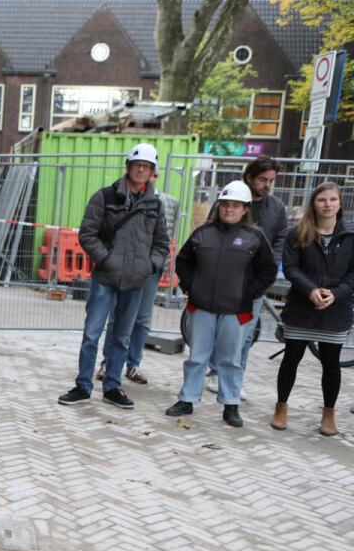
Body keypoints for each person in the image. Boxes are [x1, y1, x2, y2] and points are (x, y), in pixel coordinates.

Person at [58, 144, 170, 409]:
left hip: (136, 281)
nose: (141, 170)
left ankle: (112, 386)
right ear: (128, 167)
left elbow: (162, 243)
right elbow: (87, 234)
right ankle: (83, 385)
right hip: (104, 279)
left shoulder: (156, 204)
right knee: (92, 334)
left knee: (122, 336)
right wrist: (106, 259)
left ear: (153, 171)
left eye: (147, 166)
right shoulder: (105, 197)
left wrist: (149, 265)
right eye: (137, 165)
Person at [165, 181, 277, 427]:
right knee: (197, 356)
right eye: (225, 204)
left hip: (236, 311)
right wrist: (190, 287)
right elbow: (183, 262)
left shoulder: (255, 238)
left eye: (235, 205)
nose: (229, 209)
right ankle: (187, 399)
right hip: (201, 307)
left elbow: (267, 271)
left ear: (245, 209)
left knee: (231, 360)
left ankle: (230, 404)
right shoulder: (203, 233)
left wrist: (249, 293)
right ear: (219, 206)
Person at [271, 182, 353, 436]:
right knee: (291, 358)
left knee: (331, 363)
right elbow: (291, 267)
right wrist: (311, 290)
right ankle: (281, 407)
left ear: (340, 203)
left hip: (335, 309)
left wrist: (335, 294)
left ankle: (329, 414)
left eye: (332, 199)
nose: (327, 204)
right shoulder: (298, 233)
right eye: (322, 200)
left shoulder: (350, 235)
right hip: (301, 306)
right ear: (313, 204)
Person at [206, 156, 289, 392]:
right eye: (263, 179)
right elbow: (210, 229)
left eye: (271, 180)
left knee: (245, 332)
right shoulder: (229, 199)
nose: (267, 185)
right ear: (250, 177)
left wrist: (270, 265)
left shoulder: (275, 207)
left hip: (254, 281)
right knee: (219, 327)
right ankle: (215, 373)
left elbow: (281, 237)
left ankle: (234, 380)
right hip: (225, 278)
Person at [95, 170, 180, 384]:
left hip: (150, 271)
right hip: (124, 268)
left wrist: (158, 264)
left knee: (142, 319)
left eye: (151, 171)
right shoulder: (125, 199)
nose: (144, 176)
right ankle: (108, 363)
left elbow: (168, 236)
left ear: (156, 175)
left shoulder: (169, 202)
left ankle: (133, 365)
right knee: (117, 317)